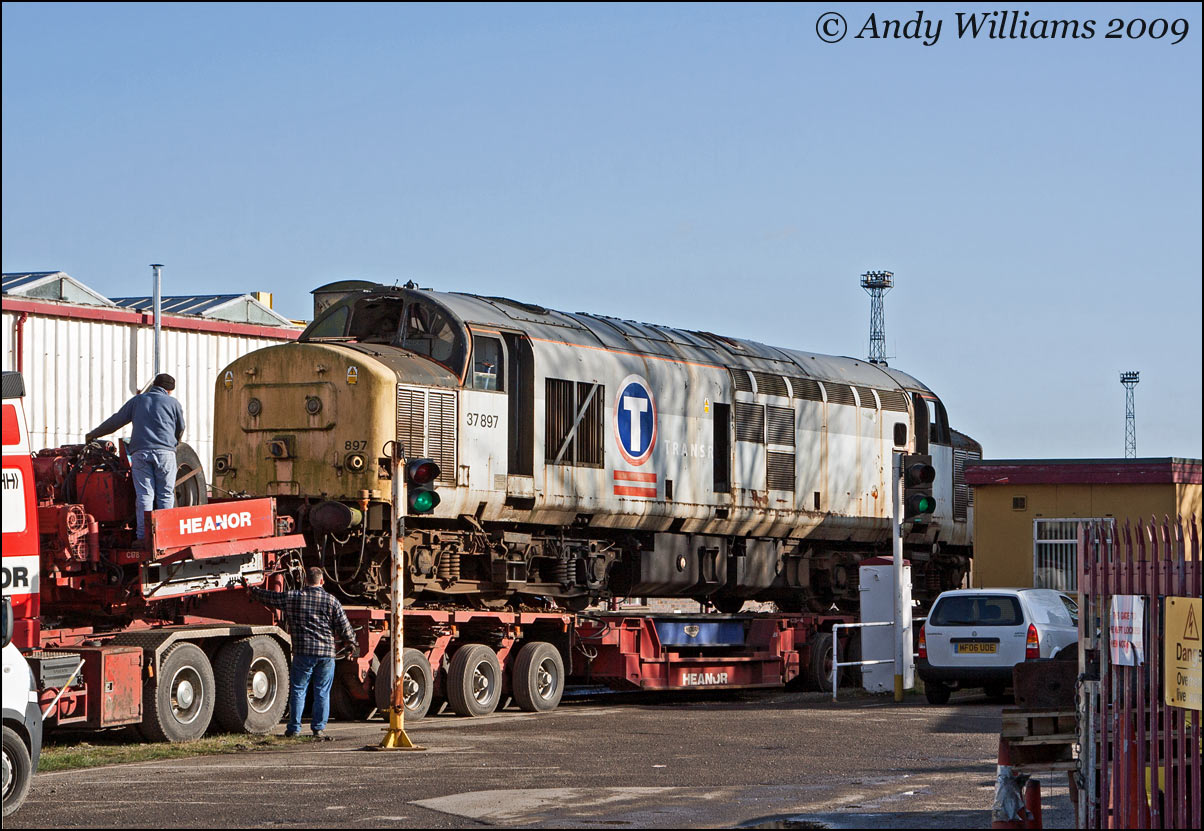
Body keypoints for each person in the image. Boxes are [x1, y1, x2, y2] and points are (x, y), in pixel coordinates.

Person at [249, 567, 358, 739]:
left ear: (305, 581)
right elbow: (344, 627)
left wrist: (253, 590)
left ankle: (294, 729)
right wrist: (351, 642)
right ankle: (318, 728)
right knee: (322, 691)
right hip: (326, 654)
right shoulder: (331, 601)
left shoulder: (293, 598)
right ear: (322, 581)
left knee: (299, 690)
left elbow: (271, 597)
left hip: (303, 652)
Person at [85, 373, 185, 541]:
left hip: (140, 453)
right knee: (166, 495)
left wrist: (93, 434)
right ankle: (165, 536)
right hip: (165, 453)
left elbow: (116, 421)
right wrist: (173, 443)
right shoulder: (173, 403)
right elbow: (180, 428)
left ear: (154, 385)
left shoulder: (138, 401)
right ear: (169, 390)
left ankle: (143, 537)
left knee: (145, 496)